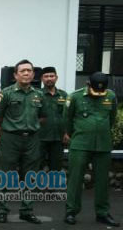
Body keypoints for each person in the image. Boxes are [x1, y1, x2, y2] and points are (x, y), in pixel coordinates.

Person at [0, 59, 44, 224]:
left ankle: (26, 210)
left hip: (32, 140)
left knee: (30, 177)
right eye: (23, 71)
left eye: (29, 71)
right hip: (10, 139)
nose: (26, 73)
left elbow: (42, 117)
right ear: (15, 75)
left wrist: (29, 128)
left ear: (33, 74)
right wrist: (12, 128)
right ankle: (2, 210)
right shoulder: (6, 93)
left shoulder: (39, 95)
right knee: (4, 176)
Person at [64, 72, 119, 227]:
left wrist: (101, 132)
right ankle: (71, 212)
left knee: (102, 181)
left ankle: (102, 213)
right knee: (75, 179)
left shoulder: (111, 96)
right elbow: (67, 119)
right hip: (80, 144)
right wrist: (73, 134)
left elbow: (112, 118)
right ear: (88, 84)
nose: (99, 94)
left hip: (103, 145)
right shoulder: (74, 97)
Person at [39, 67, 67, 172]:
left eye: (52, 76)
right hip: (40, 137)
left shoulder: (63, 95)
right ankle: (36, 187)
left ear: (56, 78)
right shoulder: (37, 94)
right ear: (42, 78)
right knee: (37, 165)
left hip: (58, 138)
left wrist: (66, 133)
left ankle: (53, 188)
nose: (49, 78)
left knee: (56, 166)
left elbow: (68, 116)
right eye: (46, 76)